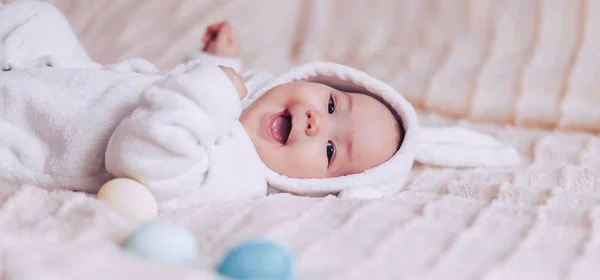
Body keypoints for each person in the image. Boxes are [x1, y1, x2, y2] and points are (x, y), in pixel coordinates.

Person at [0, 1, 520, 210]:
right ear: (317, 80)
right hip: (78, 77)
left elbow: (145, 156)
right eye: (334, 103)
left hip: (41, 128)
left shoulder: (239, 174)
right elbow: (191, 88)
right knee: (40, 20)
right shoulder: (254, 93)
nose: (318, 123)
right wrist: (213, 61)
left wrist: (212, 87)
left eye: (332, 150)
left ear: (314, 187)